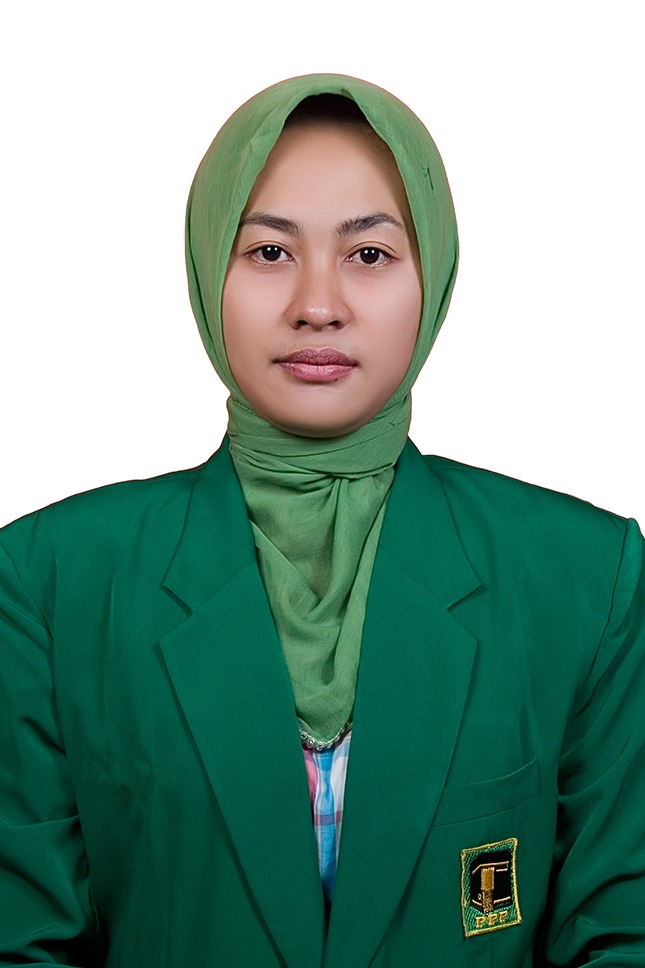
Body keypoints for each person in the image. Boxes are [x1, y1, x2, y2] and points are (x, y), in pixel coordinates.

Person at [0, 73, 643, 968]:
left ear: (432, 275)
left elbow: (621, 935)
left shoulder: (584, 577)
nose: (317, 303)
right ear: (207, 269)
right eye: (268, 251)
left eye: (368, 254)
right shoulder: (51, 577)